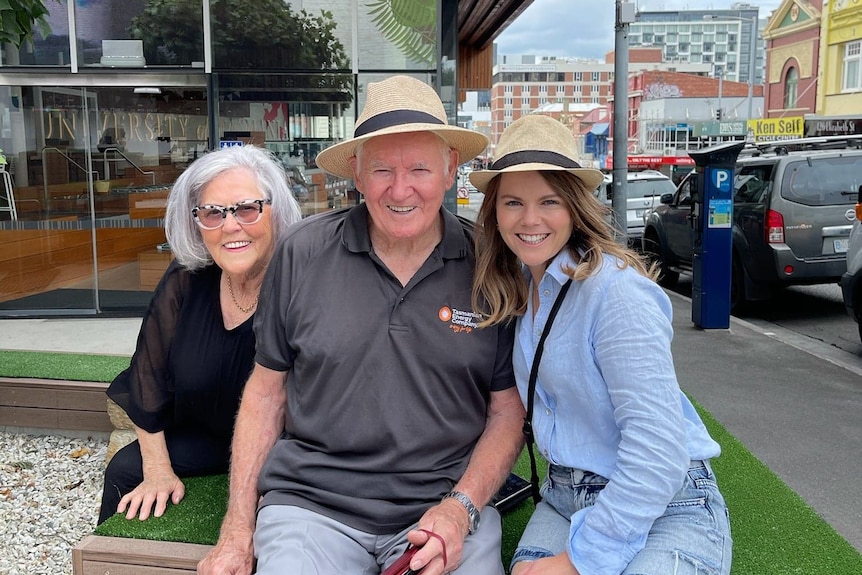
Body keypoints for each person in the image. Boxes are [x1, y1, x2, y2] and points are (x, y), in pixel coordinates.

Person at [198, 75, 525, 575]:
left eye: (419, 168)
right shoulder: (303, 252)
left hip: (441, 509)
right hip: (312, 507)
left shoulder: (491, 263)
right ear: (356, 172)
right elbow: (267, 394)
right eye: (381, 170)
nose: (400, 189)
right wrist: (237, 532)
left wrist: (461, 510)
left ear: (449, 169)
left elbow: (506, 414)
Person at [470, 115, 732, 575]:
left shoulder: (616, 293)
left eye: (548, 201)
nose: (530, 219)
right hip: (564, 495)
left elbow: (658, 449)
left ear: (574, 207)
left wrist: (579, 560)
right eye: (513, 202)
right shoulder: (518, 288)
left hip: (665, 500)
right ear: (494, 211)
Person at [98, 145, 302, 524]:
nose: (230, 226)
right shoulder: (186, 280)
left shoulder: (301, 283)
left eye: (247, 208)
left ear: (276, 212)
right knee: (127, 469)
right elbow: (148, 379)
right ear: (196, 222)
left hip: (283, 449)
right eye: (212, 213)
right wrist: (158, 468)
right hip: (206, 438)